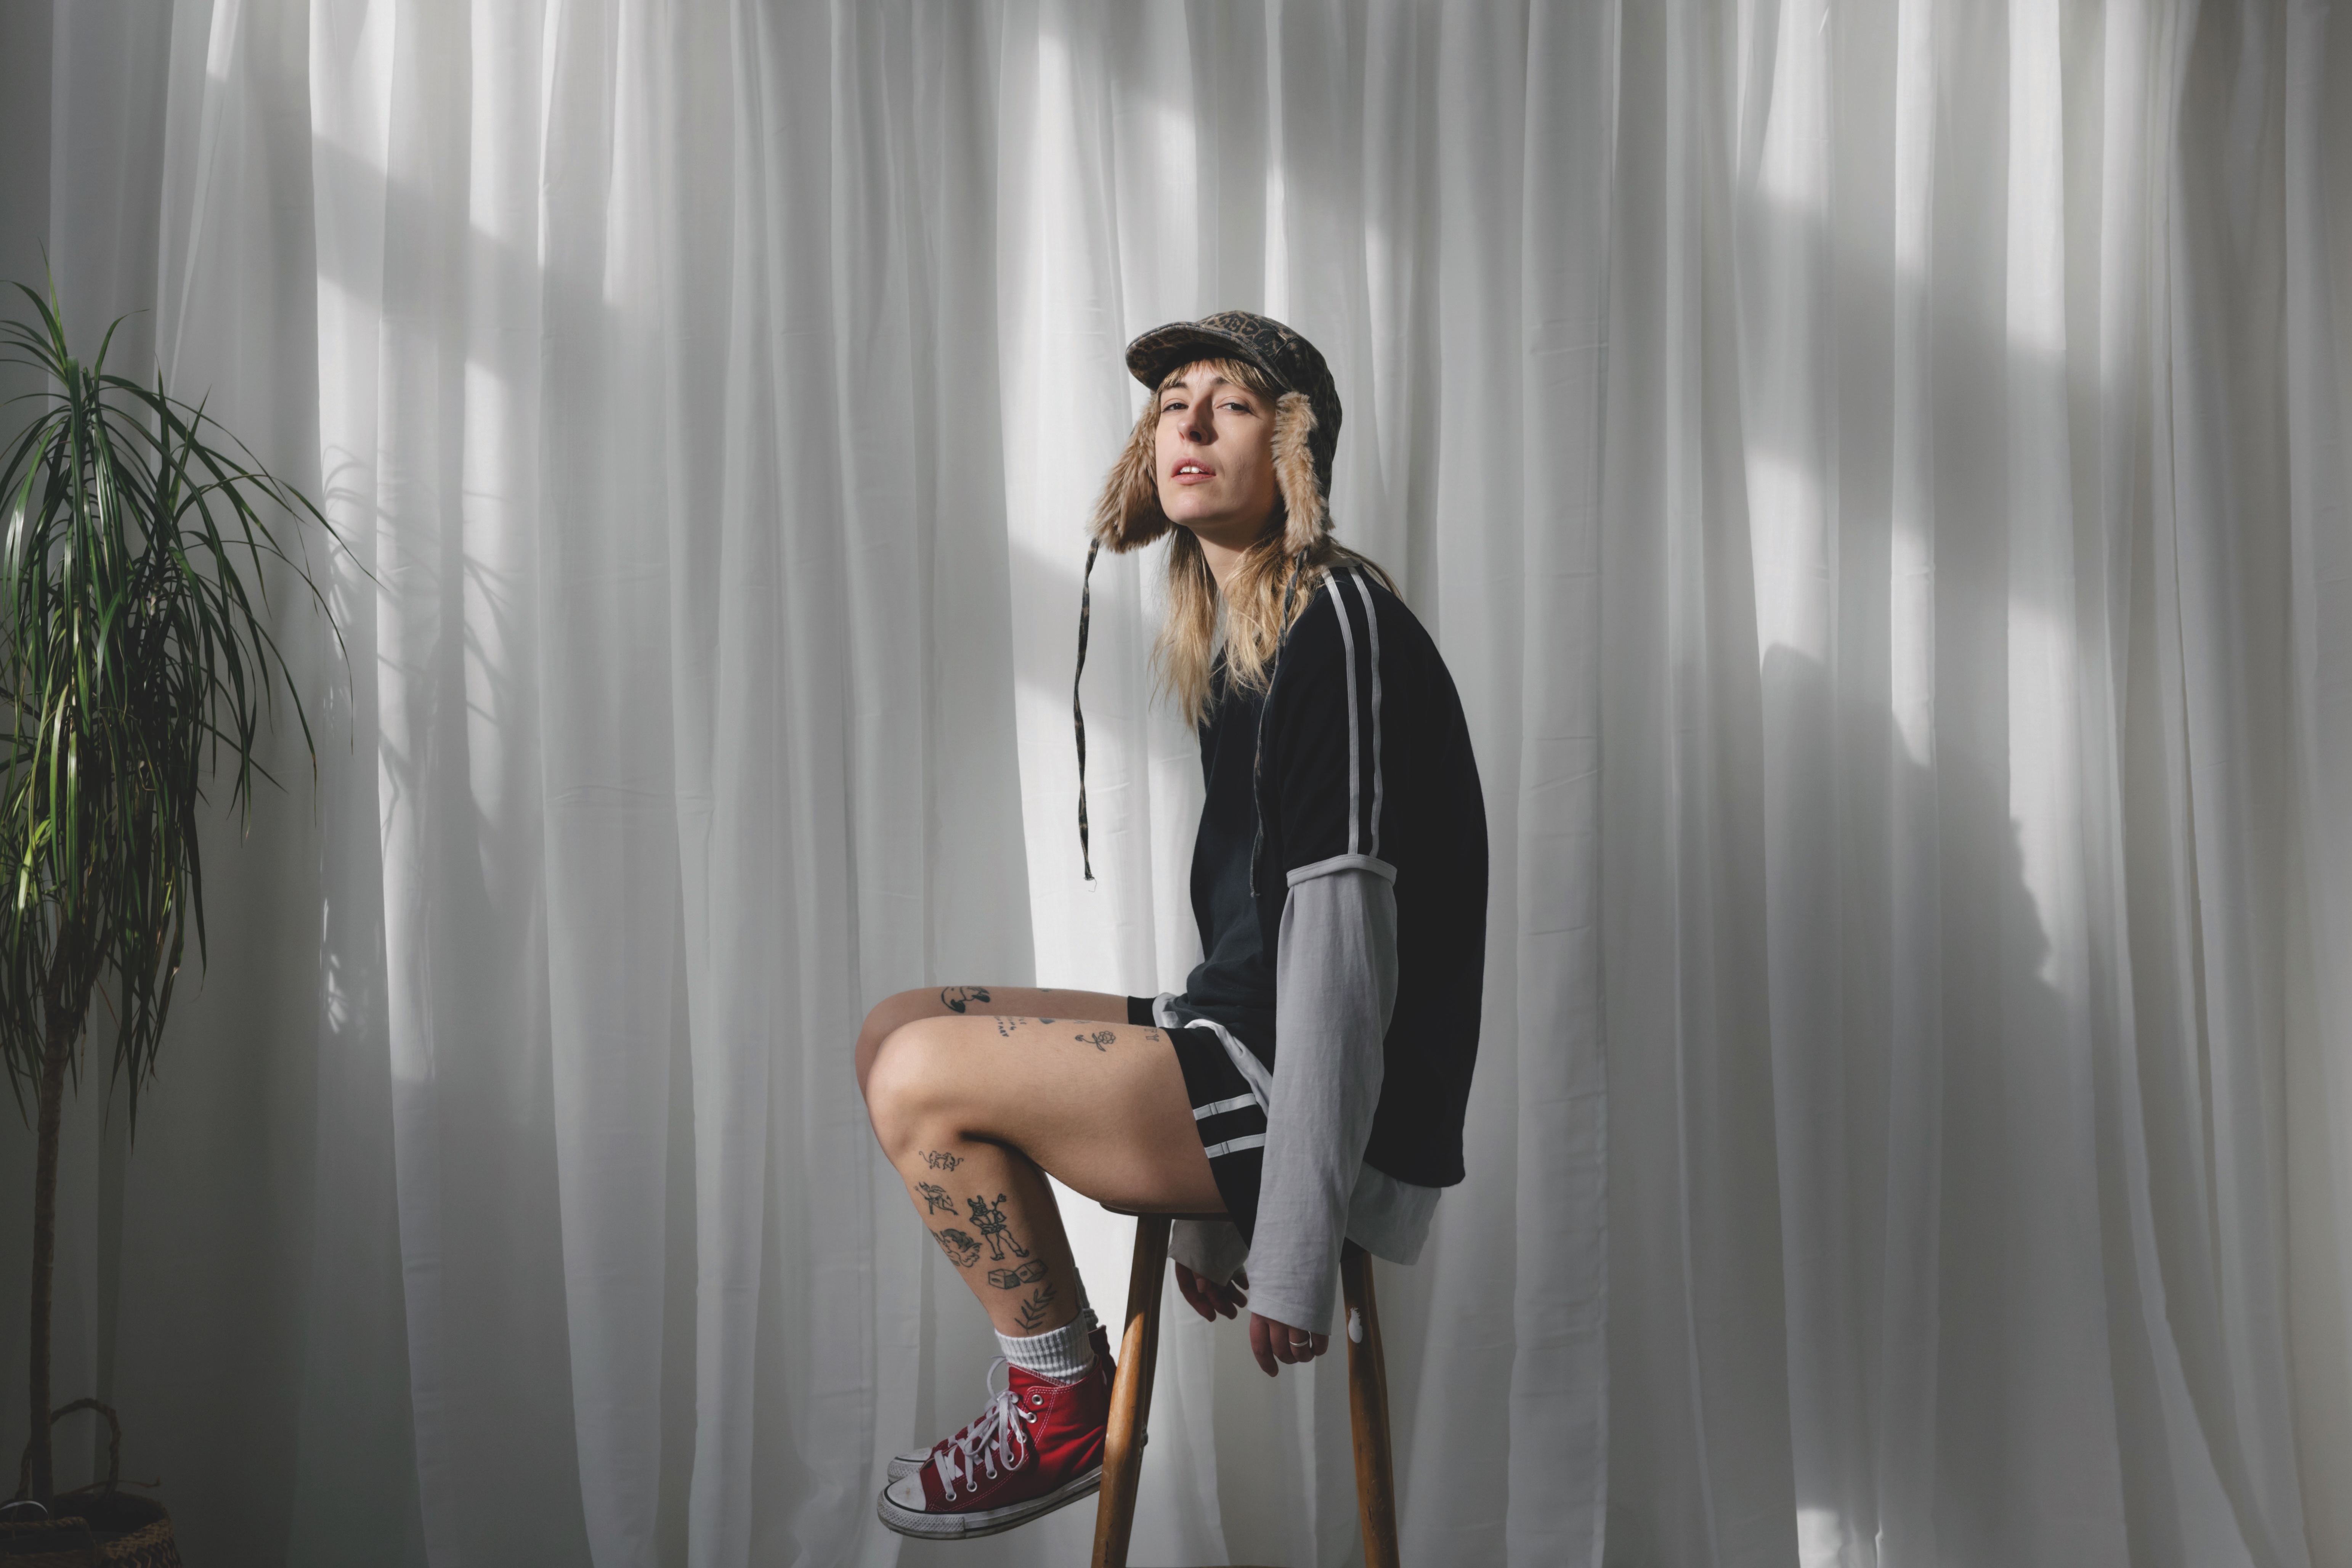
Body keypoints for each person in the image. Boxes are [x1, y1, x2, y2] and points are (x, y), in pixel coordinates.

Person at [858, 311, 1488, 1541]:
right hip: (1248, 1043)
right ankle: (1060, 1385)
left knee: (922, 1071)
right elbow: (1254, 939)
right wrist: (1207, 1206)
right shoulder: (1241, 626)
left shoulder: (1336, 624)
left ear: (1293, 449)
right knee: (896, 1026)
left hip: (1334, 1104)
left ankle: (1057, 1401)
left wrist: (1291, 1237)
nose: (1188, 422)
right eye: (1171, 404)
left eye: (1231, 403)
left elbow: (1346, 953)